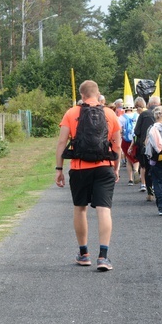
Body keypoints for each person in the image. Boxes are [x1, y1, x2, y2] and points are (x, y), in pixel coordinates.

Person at [56, 80, 122, 271]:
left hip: (79, 167)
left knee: (80, 209)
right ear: (97, 93)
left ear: (81, 94)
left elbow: (62, 142)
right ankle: (103, 256)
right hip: (104, 166)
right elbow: (116, 145)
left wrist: (59, 169)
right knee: (104, 209)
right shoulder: (110, 114)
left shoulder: (71, 113)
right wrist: (116, 168)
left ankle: (84, 254)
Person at [133, 95, 160, 201]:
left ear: (149, 104)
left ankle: (150, 193)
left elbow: (137, 131)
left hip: (146, 146)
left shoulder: (144, 114)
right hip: (161, 147)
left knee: (148, 169)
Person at [119, 104, 139, 185]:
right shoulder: (137, 116)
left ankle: (130, 179)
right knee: (136, 157)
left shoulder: (121, 118)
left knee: (128, 158)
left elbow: (120, 130)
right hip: (135, 139)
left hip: (126, 140)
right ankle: (136, 170)